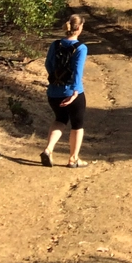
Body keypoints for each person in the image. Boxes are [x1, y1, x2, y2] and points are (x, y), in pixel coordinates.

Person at [41, 14, 89, 168]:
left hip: (54, 92)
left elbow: (48, 64)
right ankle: (73, 159)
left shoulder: (55, 45)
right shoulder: (81, 48)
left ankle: (48, 149)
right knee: (77, 125)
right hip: (72, 92)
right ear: (80, 28)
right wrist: (75, 91)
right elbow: (77, 71)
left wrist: (56, 79)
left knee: (60, 119)